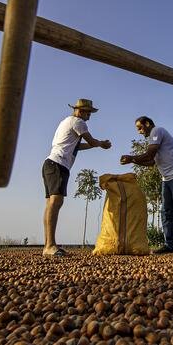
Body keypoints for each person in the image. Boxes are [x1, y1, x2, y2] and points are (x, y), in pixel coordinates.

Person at [42, 98, 111, 257]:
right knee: (55, 202)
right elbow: (91, 141)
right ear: (80, 111)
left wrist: (96, 144)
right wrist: (101, 144)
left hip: (50, 163)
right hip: (58, 164)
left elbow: (77, 146)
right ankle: (50, 245)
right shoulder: (79, 122)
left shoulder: (66, 122)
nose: (89, 116)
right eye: (88, 112)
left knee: (51, 204)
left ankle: (48, 245)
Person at [120, 116, 173, 254]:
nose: (139, 131)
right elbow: (151, 162)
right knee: (166, 211)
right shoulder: (151, 139)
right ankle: (170, 245)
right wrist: (133, 161)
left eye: (140, 127)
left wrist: (131, 158)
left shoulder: (157, 131)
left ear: (147, 123)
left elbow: (149, 154)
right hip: (166, 178)